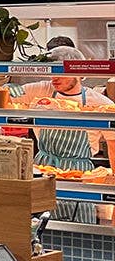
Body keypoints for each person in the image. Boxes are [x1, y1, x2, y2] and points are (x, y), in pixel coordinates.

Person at [15, 48, 112, 224]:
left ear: (78, 73)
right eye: (52, 72)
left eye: (61, 72)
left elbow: (114, 146)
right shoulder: (42, 90)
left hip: (80, 179)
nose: (55, 78)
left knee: (81, 237)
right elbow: (7, 94)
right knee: (38, 232)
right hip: (41, 173)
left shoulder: (99, 103)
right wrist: (7, 86)